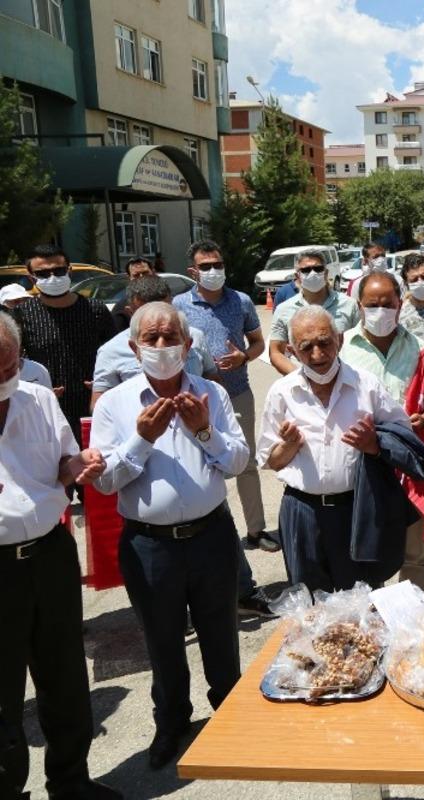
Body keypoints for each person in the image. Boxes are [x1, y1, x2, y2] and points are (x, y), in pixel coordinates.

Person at [91, 302, 249, 770]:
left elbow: (238, 462)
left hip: (212, 535)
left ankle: (232, 715)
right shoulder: (116, 405)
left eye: (170, 337)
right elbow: (103, 482)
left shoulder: (212, 396)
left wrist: (204, 433)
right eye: (152, 339)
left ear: (188, 343)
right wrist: (140, 439)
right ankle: (173, 722)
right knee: (162, 640)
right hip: (150, 545)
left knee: (221, 632)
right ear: (134, 347)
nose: (162, 347)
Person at [0, 315, 121, 800]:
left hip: (49, 555)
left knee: (65, 677)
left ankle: (71, 783)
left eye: (7, 366)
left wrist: (80, 465)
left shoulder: (38, 399)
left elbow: (63, 464)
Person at [258, 306, 412, 592]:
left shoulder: (366, 385)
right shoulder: (282, 393)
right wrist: (290, 445)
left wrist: (374, 444)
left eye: (324, 342)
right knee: (311, 608)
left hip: (356, 510)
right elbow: (273, 462)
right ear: (291, 350)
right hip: (302, 512)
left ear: (339, 340)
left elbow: (404, 438)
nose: (317, 354)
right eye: (306, 347)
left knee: (363, 603)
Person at [175, 242, 279, 565]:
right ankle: (212, 531)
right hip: (195, 401)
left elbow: (259, 343)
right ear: (193, 272)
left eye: (217, 264)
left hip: (237, 393)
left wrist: (244, 356)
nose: (213, 271)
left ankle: (256, 529)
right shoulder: (179, 304)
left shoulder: (242, 301)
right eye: (205, 266)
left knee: (245, 462)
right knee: (202, 464)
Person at [341, 271, 424, 589]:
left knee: (413, 554)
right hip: (360, 468)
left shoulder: (422, 350)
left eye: (388, 303)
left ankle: (412, 629)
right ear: (359, 306)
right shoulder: (342, 350)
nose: (381, 311)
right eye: (373, 304)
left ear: (400, 304)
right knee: (368, 554)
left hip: (406, 467)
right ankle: (375, 628)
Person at [15, 244, 115, 444]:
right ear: (31, 276)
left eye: (59, 271)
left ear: (69, 270)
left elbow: (114, 354)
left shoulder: (95, 309)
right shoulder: (23, 315)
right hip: (44, 410)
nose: (52, 277)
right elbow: (16, 363)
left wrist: (107, 384)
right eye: (43, 273)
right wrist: (34, 388)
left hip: (93, 407)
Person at [93, 275, 218, 405]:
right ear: (130, 312)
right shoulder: (111, 351)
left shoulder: (195, 337)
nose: (161, 345)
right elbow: (99, 405)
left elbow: (212, 378)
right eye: (146, 313)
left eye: (163, 309)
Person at [268, 249, 359, 375]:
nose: (312, 273)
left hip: (345, 380)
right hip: (302, 386)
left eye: (318, 269)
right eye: (306, 270)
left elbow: (361, 344)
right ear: (297, 277)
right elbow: (275, 352)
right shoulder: (283, 310)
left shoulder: (349, 305)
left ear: (326, 273)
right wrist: (303, 377)